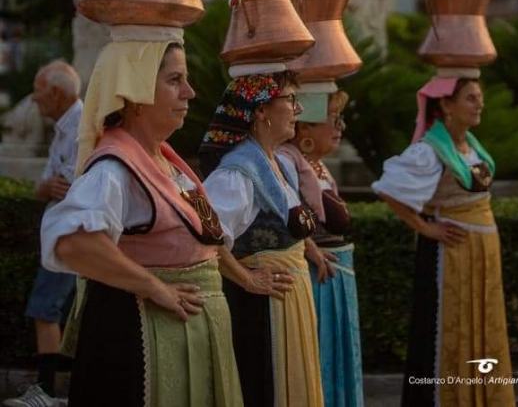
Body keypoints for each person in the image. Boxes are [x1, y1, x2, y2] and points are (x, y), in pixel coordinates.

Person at [40, 33, 243, 407]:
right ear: (132, 96)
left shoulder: (164, 161)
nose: (190, 93)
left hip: (185, 338)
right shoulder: (115, 167)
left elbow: (205, 239)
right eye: (174, 80)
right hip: (142, 343)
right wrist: (155, 287)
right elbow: (73, 240)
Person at [372, 76, 515, 407]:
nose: (480, 103)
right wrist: (423, 226)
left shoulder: (472, 146)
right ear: (446, 106)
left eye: (480, 97)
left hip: (481, 257)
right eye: (470, 98)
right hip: (449, 257)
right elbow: (388, 188)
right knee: (447, 332)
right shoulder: (429, 150)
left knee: (484, 328)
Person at [199, 73, 324, 407]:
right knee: (262, 388)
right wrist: (246, 278)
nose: (297, 109)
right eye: (290, 100)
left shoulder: (277, 163)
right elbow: (204, 235)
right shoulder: (236, 173)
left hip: (289, 302)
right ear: (260, 111)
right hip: (259, 311)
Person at [5, 61, 83, 407]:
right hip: (61, 234)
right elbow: (46, 186)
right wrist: (49, 187)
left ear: (56, 93)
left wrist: (53, 187)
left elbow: (68, 186)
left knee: (44, 309)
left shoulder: (82, 127)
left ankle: (48, 392)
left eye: (38, 92)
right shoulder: (65, 127)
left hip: (70, 235)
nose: (34, 101)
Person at [279, 89, 363, 407]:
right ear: (305, 129)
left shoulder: (318, 166)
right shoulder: (288, 162)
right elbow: (283, 217)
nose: (340, 127)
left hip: (335, 273)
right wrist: (309, 247)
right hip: (317, 276)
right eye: (333, 119)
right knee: (319, 352)